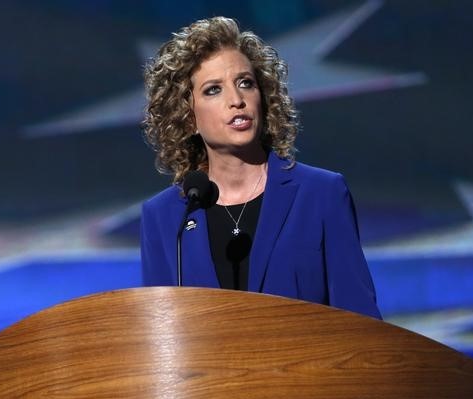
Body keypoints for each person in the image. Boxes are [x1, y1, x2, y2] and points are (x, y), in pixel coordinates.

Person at [140, 16, 381, 319]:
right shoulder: (165, 218)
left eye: (245, 83)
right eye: (214, 89)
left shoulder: (321, 194)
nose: (237, 100)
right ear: (188, 117)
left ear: (264, 99)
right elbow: (162, 336)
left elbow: (361, 321)